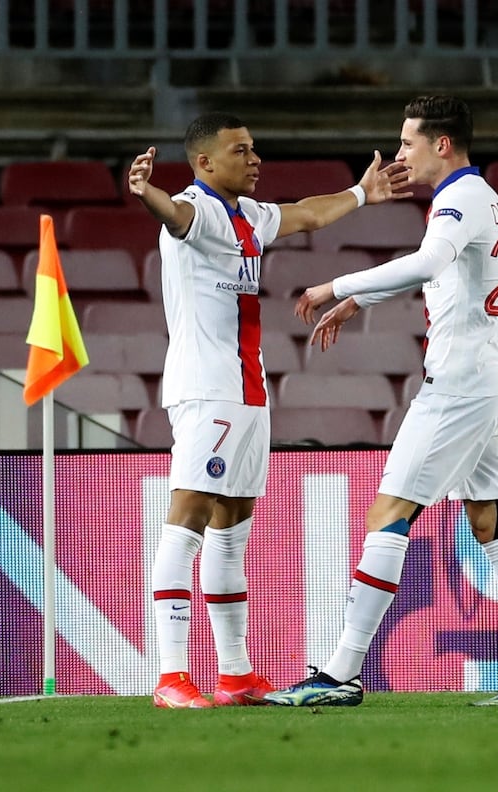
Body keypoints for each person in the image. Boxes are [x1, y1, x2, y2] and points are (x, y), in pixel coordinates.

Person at [264, 95, 498, 708]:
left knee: (388, 513)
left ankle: (340, 671)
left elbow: (431, 261)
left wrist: (335, 285)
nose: (399, 153)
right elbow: (449, 274)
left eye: (407, 142)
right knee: (490, 521)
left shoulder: (457, 199)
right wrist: (361, 304)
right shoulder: (475, 197)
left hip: (458, 384)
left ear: (442, 145)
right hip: (489, 376)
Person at [128, 113, 408, 708]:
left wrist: (363, 192)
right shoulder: (195, 209)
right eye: (240, 151)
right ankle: (171, 676)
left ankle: (235, 674)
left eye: (255, 149)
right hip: (207, 391)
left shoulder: (249, 215)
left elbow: (307, 212)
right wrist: (146, 192)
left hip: (249, 393)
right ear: (205, 163)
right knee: (187, 523)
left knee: (231, 533)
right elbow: (171, 216)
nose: (255, 159)